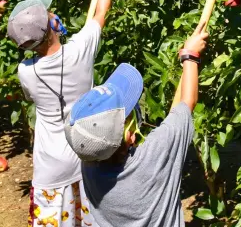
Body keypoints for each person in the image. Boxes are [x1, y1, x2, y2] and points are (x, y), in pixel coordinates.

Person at [63, 23, 209, 227]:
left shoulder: (90, 164)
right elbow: (188, 103)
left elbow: (179, 112)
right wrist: (190, 56)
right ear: (129, 135)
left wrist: (189, 56)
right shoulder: (153, 158)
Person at [7, 0, 113, 227]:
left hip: (51, 169)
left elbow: (33, 96)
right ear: (51, 25)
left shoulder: (26, 72)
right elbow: (101, 12)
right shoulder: (80, 51)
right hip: (86, 157)